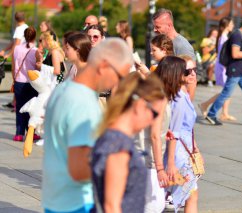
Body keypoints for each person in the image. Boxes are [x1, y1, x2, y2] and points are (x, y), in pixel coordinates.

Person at [42, 38, 132, 213]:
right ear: (105, 65)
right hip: (78, 202)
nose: (118, 84)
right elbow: (79, 169)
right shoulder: (84, 103)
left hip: (56, 198)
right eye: (120, 76)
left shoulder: (63, 89)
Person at [91, 73, 166, 213]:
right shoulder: (119, 145)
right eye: (154, 114)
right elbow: (111, 206)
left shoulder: (114, 136)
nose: (153, 121)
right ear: (140, 106)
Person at [156, 56, 200, 212]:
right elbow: (174, 131)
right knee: (186, 195)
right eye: (188, 71)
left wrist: (195, 148)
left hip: (183, 150)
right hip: (179, 154)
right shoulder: (179, 97)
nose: (192, 74)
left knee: (189, 194)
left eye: (195, 70)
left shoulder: (181, 94)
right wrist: (171, 164)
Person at [199, 17, 236, 121]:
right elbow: (224, 55)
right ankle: (205, 105)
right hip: (224, 67)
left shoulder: (222, 37)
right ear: (227, 25)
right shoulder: (223, 38)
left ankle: (224, 113)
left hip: (222, 66)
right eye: (231, 24)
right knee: (227, 91)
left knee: (227, 91)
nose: (233, 26)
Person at [12, 27, 39, 142]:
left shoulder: (17, 48)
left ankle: (19, 133)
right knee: (31, 108)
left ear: (24, 35)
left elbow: (14, 65)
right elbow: (37, 67)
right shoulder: (35, 50)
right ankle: (31, 132)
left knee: (19, 108)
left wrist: (14, 79)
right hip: (31, 83)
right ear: (35, 36)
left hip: (18, 81)